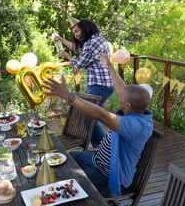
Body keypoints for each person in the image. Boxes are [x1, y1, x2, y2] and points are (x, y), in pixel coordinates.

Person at [41, 53, 153, 197]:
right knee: (63, 159)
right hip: (97, 159)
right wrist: (110, 66)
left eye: (121, 99)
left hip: (107, 176)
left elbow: (101, 115)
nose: (119, 97)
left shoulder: (135, 125)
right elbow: (123, 90)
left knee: (65, 182)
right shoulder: (136, 111)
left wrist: (68, 96)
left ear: (128, 105)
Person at [54, 18, 114, 149]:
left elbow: (79, 64)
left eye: (77, 31)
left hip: (100, 85)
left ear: (84, 28)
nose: (76, 35)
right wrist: (61, 40)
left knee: (89, 115)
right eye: (74, 34)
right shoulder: (97, 38)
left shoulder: (90, 43)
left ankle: (103, 147)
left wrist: (68, 58)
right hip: (102, 85)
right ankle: (100, 146)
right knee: (89, 115)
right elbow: (78, 49)